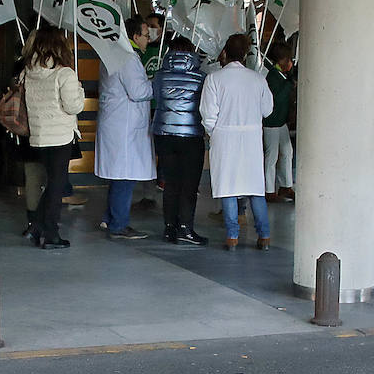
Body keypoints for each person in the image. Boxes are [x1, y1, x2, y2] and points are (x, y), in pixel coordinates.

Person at [200, 34, 274, 251]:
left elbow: (208, 114)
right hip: (251, 137)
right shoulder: (258, 78)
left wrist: (214, 132)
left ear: (225, 52)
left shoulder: (214, 79)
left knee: (228, 186)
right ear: (245, 54)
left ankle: (232, 236)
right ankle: (265, 235)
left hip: (225, 137)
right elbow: (268, 109)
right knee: (255, 188)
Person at [21, 25, 86, 250]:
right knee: (56, 186)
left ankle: (37, 226)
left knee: (52, 184)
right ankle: (50, 234)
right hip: (60, 137)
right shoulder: (64, 73)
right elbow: (73, 106)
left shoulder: (29, 71)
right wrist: (80, 89)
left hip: (38, 136)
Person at [95, 17, 154, 239]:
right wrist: (155, 84)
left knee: (118, 176)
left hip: (118, 123)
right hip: (124, 126)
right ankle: (118, 225)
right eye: (146, 35)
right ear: (135, 36)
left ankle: (110, 218)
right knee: (125, 177)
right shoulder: (128, 58)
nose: (149, 39)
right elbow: (138, 92)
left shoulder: (114, 54)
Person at [150, 36, 208, 245]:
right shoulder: (201, 77)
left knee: (171, 183)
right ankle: (186, 228)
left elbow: (154, 97)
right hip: (191, 136)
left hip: (164, 134)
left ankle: (169, 228)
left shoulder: (159, 76)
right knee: (189, 184)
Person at [262, 42, 296, 203]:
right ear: (280, 60)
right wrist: (289, 84)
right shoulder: (273, 77)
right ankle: (269, 190)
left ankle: (286, 185)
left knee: (287, 151)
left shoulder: (281, 76)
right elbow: (277, 97)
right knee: (272, 155)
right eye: (287, 59)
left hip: (281, 122)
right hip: (271, 123)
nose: (289, 63)